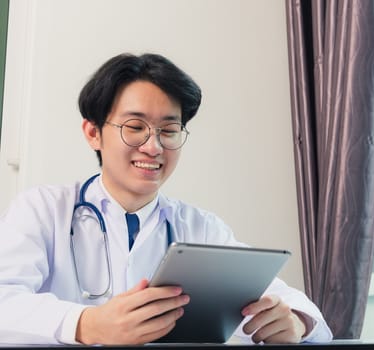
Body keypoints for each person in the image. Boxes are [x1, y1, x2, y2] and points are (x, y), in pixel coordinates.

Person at [0, 53, 333, 345]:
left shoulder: (200, 228)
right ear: (93, 133)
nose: (154, 146)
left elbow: (287, 300)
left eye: (169, 131)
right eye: (135, 126)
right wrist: (87, 325)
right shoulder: (43, 209)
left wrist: (297, 322)